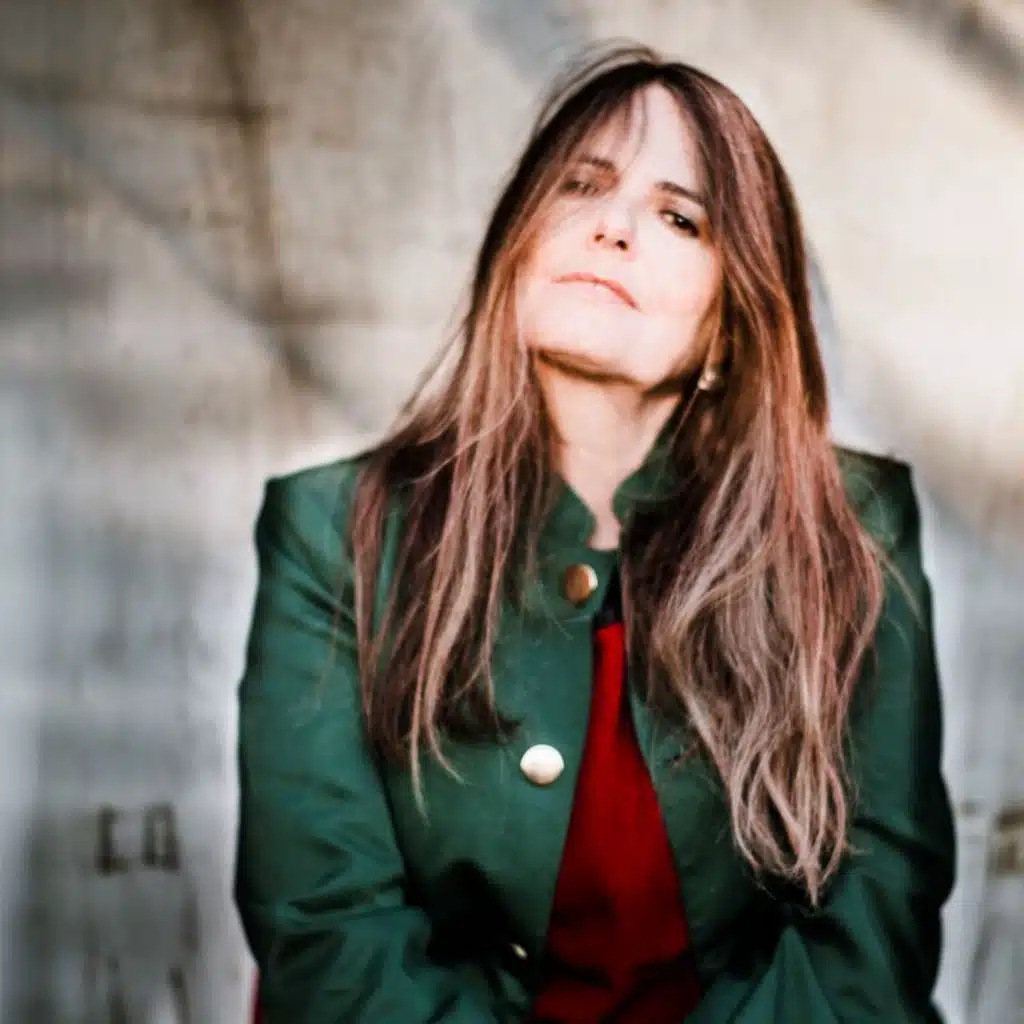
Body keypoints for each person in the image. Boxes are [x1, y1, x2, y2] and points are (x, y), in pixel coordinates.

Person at [233, 43, 956, 1023]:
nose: (612, 227)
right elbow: (326, 931)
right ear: (518, 243)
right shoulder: (335, 529)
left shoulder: (848, 526)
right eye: (581, 186)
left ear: (730, 326)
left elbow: (870, 935)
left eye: (679, 217)